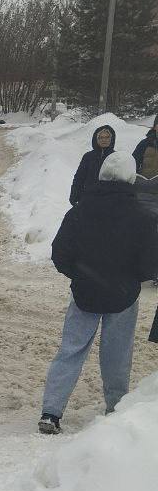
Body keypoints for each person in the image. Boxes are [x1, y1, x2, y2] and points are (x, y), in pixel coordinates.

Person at [39, 150, 158, 434]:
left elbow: (60, 252)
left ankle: (51, 412)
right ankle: (115, 411)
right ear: (131, 177)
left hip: (84, 292)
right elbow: (151, 261)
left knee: (70, 351)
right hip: (123, 295)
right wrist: (133, 278)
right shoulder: (141, 216)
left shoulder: (80, 209)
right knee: (117, 356)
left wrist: (80, 275)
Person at [69, 124, 115, 206]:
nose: (104, 140)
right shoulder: (88, 156)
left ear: (112, 139)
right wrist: (74, 195)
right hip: (89, 198)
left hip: (109, 201)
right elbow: (79, 178)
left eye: (107, 137)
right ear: (96, 139)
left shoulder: (116, 157)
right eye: (101, 137)